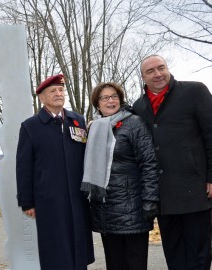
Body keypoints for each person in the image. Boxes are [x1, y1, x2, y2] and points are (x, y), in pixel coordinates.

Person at [133, 54, 212, 270]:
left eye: (161, 68)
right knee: (174, 254)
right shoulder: (139, 106)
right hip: (164, 196)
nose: (158, 74)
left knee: (199, 254)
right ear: (143, 77)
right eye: (150, 71)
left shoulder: (195, 91)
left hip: (195, 190)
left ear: (168, 68)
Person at [15, 74, 94, 269]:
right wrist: (27, 202)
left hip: (77, 196)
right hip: (48, 199)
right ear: (42, 97)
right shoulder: (30, 126)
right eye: (53, 91)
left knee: (79, 243)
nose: (59, 94)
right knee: (56, 247)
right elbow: (23, 167)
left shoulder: (78, 121)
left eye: (61, 90)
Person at [81, 82, 160, 270]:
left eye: (114, 96)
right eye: (105, 98)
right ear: (97, 104)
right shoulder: (94, 128)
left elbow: (149, 163)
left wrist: (150, 199)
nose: (110, 101)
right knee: (114, 264)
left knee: (135, 264)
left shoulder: (134, 123)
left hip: (132, 208)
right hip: (105, 209)